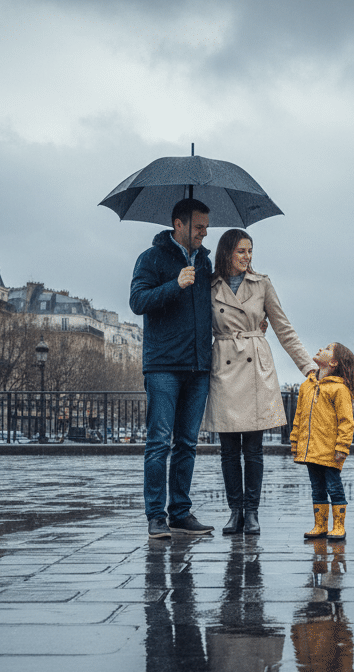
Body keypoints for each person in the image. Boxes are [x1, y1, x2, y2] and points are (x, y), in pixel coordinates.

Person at [202, 229, 317, 536]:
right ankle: (234, 511)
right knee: (228, 449)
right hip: (224, 362)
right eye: (241, 251)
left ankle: (251, 512)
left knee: (253, 449)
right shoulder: (209, 286)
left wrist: (308, 366)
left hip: (254, 363)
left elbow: (283, 328)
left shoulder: (262, 283)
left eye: (250, 251)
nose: (248, 256)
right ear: (226, 252)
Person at [129, 198, 215, 538]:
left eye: (206, 228)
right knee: (159, 441)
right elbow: (137, 301)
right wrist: (175, 284)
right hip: (163, 364)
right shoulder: (150, 259)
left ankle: (180, 512)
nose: (203, 234)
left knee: (187, 444)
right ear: (178, 224)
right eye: (198, 228)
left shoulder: (206, 263)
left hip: (198, 365)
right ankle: (155, 516)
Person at [289, 343, 354, 540]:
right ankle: (320, 525)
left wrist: (342, 447)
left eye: (327, 349)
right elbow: (298, 417)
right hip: (311, 450)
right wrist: (295, 442)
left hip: (330, 451)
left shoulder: (339, 389)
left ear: (333, 362)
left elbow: (346, 422)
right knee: (317, 488)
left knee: (334, 488)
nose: (320, 348)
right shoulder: (306, 386)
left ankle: (338, 526)